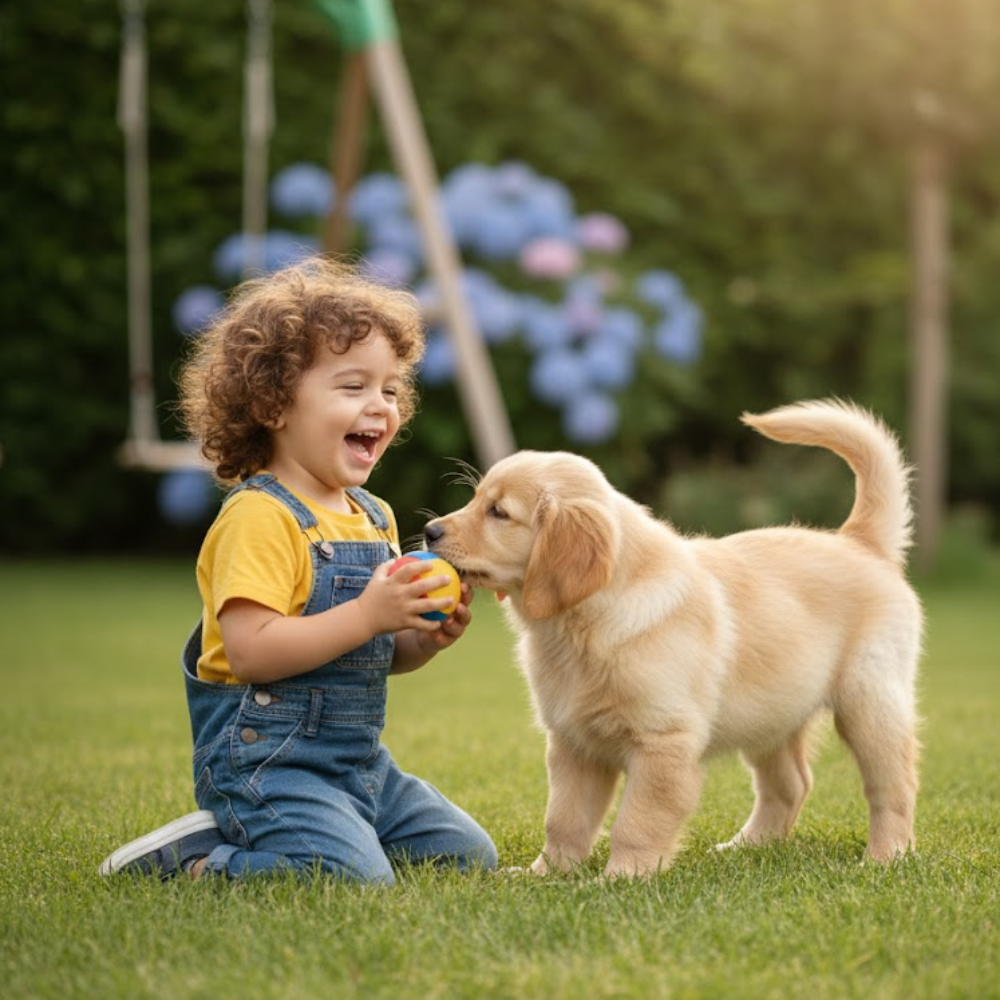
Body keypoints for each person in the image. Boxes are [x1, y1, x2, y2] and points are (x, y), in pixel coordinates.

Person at [99, 257, 497, 885]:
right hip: (264, 763)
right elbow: (252, 651)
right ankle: (204, 858)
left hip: (358, 764)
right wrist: (369, 612)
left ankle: (334, 825)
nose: (381, 406)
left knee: (468, 854)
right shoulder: (259, 517)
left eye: (390, 390)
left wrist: (419, 637)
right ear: (274, 404)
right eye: (353, 387)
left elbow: (377, 652)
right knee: (355, 879)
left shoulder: (374, 516)